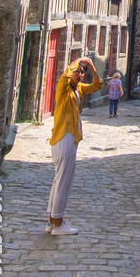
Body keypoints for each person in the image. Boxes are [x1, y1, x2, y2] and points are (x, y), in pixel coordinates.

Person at [47, 56, 102, 235]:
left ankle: (52, 220)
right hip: (64, 137)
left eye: (82, 73)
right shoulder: (63, 89)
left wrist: (92, 67)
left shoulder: (78, 89)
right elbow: (65, 76)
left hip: (72, 137)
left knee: (59, 180)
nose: (80, 75)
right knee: (64, 181)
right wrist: (78, 61)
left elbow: (98, 85)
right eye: (78, 72)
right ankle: (59, 223)